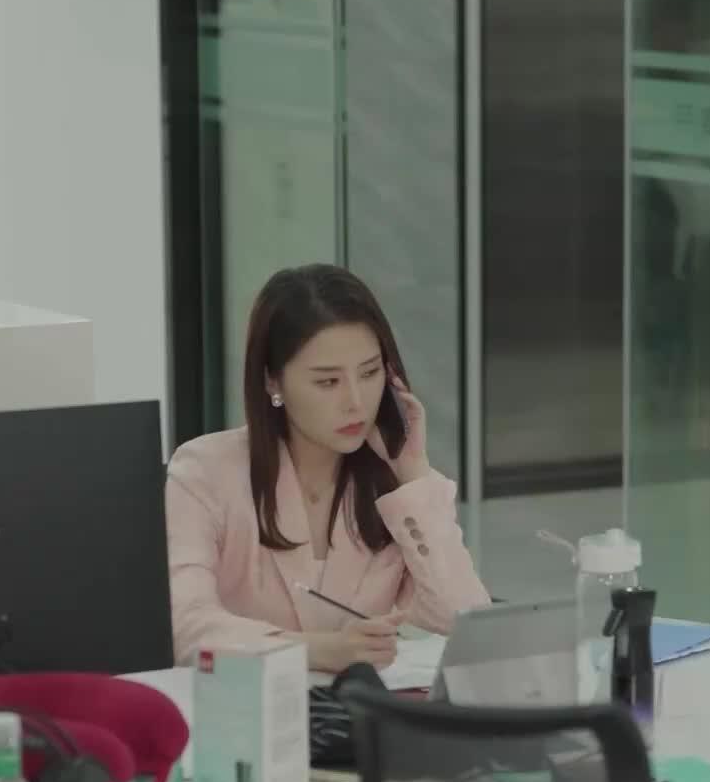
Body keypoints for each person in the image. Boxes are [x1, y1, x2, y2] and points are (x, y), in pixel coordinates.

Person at [166, 263, 489, 673]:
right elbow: (186, 629)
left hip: (355, 709)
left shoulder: (392, 488)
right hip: (241, 707)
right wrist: (317, 650)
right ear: (272, 382)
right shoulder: (204, 473)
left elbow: (466, 624)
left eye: (370, 373)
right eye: (327, 382)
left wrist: (413, 471)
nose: (356, 401)